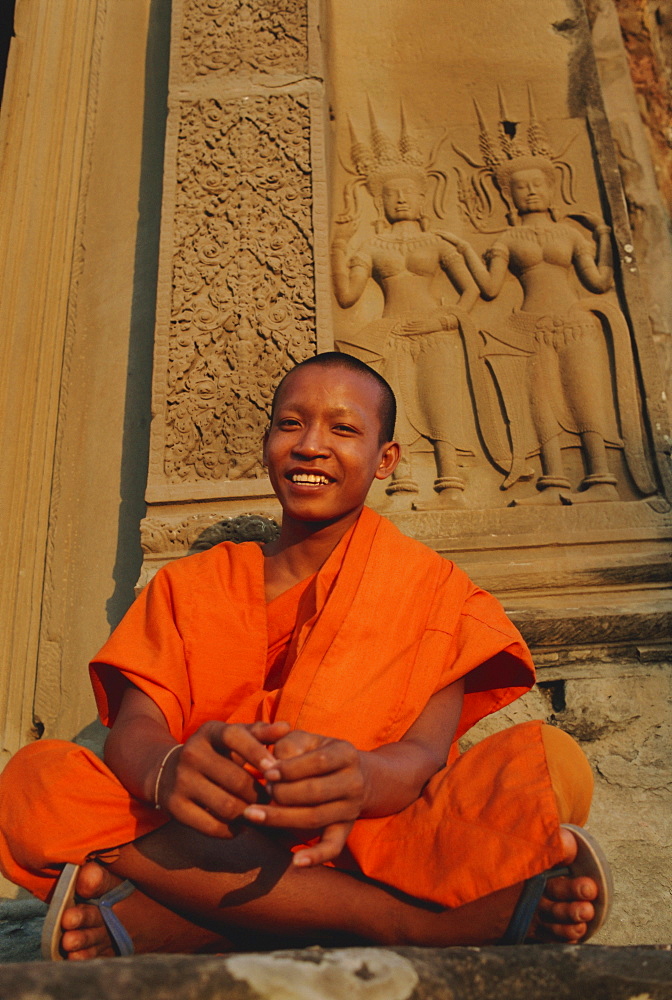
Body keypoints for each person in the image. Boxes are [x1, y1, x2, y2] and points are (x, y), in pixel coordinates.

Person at [0, 352, 609, 960]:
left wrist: (360, 778)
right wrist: (171, 771)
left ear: (385, 459)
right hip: (208, 830)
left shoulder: (435, 591)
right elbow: (136, 726)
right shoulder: (190, 585)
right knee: (33, 783)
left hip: (364, 833)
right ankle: (405, 924)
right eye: (291, 424)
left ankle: (188, 923)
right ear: (267, 441)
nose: (311, 446)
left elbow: (423, 756)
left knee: (553, 765)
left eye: (343, 429)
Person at [438, 156, 653, 502]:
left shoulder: (568, 235)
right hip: (529, 328)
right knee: (541, 406)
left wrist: (603, 233)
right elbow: (491, 289)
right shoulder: (508, 239)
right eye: (522, 187)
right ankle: (553, 482)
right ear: (510, 196)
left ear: (551, 190)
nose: (531, 191)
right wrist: (465, 249)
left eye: (537, 184)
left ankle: (602, 481)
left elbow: (599, 281)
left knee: (584, 399)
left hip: (575, 323)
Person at [332, 114, 480, 507]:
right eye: (392, 193)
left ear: (421, 198)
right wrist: (338, 247)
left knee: (440, 402)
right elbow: (347, 296)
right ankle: (402, 483)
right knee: (396, 407)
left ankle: (451, 484)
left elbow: (471, 289)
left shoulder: (436, 242)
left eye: (408, 192)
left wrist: (451, 316)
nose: (400, 198)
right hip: (392, 334)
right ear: (381, 201)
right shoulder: (374, 247)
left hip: (435, 330)